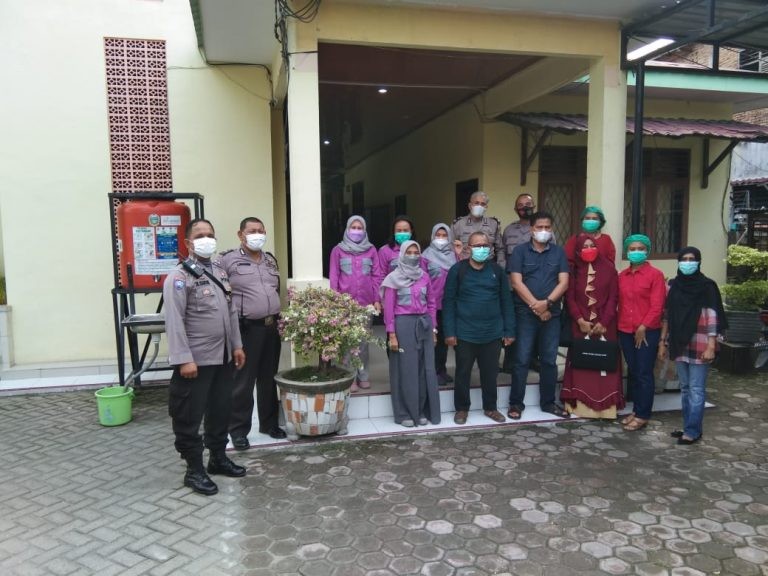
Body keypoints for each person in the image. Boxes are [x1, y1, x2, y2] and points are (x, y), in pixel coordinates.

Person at [163, 218, 246, 496]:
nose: (206, 239)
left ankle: (218, 458)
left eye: (210, 234)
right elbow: (174, 321)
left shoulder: (220, 272)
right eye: (199, 236)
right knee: (188, 417)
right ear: (188, 243)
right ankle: (194, 470)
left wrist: (237, 345)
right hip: (195, 362)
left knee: (220, 411)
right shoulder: (179, 277)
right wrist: (183, 359)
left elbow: (231, 312)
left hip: (222, 358)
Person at [220, 217, 285, 449]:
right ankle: (238, 431)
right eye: (251, 231)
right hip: (246, 328)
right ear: (241, 235)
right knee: (243, 382)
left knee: (269, 378)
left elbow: (275, 289)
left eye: (260, 230)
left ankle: (269, 424)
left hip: (271, 327)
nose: (257, 234)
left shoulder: (270, 260)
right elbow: (221, 293)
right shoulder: (227, 260)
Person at [442, 231, 515, 425]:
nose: (481, 249)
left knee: (490, 373)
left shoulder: (497, 271)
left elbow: (506, 302)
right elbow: (448, 302)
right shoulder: (457, 270)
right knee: (463, 372)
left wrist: (509, 330)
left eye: (485, 245)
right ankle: (462, 408)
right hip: (465, 332)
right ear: (468, 248)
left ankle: (490, 407)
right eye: (477, 245)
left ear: (490, 248)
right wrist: (449, 331)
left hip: (492, 332)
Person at [659, 247, 727, 445]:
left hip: (700, 342)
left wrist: (711, 345)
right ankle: (690, 426)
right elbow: (667, 316)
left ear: (699, 261)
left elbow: (712, 316)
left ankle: (692, 431)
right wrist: (663, 342)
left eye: (692, 259)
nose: (688, 263)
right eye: (684, 259)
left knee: (696, 389)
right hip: (679, 342)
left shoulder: (707, 286)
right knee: (686, 388)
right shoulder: (674, 285)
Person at [508, 211, 570, 420]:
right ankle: (516, 403)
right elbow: (516, 282)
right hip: (525, 314)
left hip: (552, 314)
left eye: (547, 227)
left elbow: (564, 282)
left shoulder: (558, 253)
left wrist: (547, 304)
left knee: (549, 360)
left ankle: (548, 403)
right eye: (539, 227)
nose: (543, 231)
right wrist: (537, 306)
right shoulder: (520, 252)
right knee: (522, 359)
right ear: (531, 229)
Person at [560, 234, 624, 419]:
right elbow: (569, 298)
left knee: (604, 362)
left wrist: (604, 322)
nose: (589, 249)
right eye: (584, 247)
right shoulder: (573, 270)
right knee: (581, 362)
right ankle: (578, 406)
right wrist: (580, 320)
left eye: (592, 245)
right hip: (580, 324)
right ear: (578, 251)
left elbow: (613, 298)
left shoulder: (609, 269)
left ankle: (606, 409)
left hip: (606, 325)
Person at [381, 241, 441, 427]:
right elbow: (388, 309)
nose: (413, 256)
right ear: (402, 255)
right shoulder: (393, 278)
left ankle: (420, 410)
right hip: (403, 326)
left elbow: (431, 303)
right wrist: (392, 334)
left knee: (423, 369)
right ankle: (404, 413)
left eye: (416, 252)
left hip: (424, 325)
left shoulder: (424, 277)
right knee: (405, 370)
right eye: (409, 252)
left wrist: (433, 329)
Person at [617, 234, 667, 432]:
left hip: (646, 332)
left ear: (647, 251)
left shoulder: (655, 275)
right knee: (634, 371)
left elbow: (657, 306)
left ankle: (643, 415)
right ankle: (636, 410)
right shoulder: (622, 276)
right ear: (627, 251)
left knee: (644, 373)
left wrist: (643, 327)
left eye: (640, 249)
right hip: (625, 330)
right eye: (632, 249)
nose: (636, 252)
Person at [329, 215, 382, 392]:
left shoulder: (371, 250)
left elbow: (376, 276)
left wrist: (377, 299)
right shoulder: (338, 250)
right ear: (347, 229)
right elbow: (334, 277)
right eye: (354, 227)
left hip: (366, 304)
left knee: (363, 342)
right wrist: (336, 302)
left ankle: (363, 375)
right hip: (345, 304)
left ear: (365, 230)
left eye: (360, 228)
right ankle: (349, 376)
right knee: (347, 342)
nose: (356, 231)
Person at [421, 223, 459, 387]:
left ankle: (442, 370)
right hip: (432, 305)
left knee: (445, 339)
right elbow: (422, 279)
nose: (441, 239)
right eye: (438, 235)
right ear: (432, 236)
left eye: (444, 236)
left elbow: (461, 273)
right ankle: (433, 372)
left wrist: (459, 254)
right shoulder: (425, 256)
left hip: (450, 305)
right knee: (433, 340)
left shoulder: (454, 255)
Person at [451, 191, 504, 265]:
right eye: (476, 203)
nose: (479, 206)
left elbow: (500, 249)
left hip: (488, 265)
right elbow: (451, 249)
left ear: (486, 207)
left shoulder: (493, 224)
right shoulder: (458, 224)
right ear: (470, 205)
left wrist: (500, 267)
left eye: (483, 204)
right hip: (465, 265)